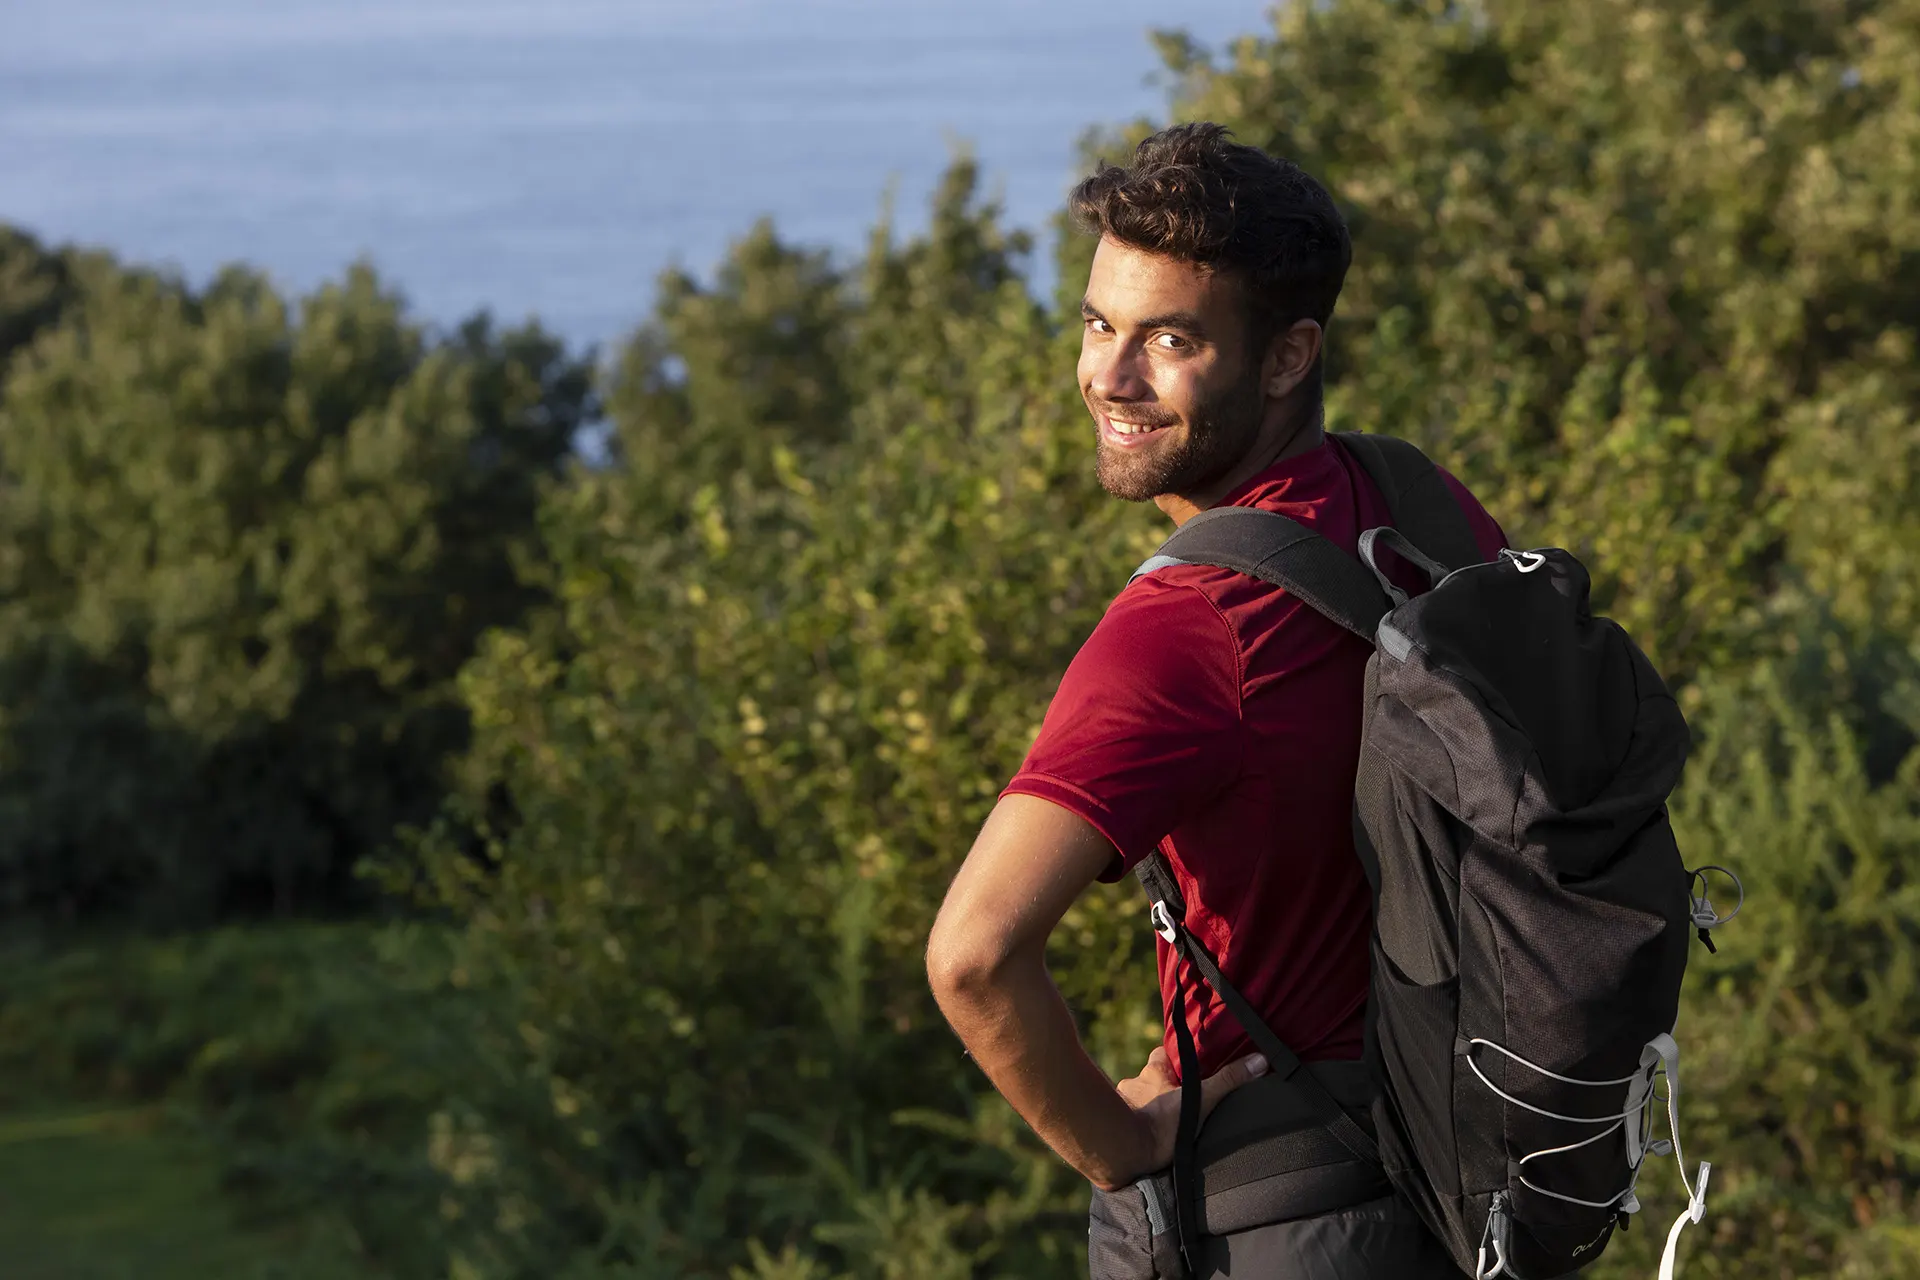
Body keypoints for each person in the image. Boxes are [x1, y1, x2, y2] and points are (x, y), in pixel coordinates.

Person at [924, 122, 1507, 1277]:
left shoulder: (1189, 630)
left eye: (1170, 340)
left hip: (1272, 1212)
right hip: (1461, 1160)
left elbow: (975, 955)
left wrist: (1116, 1142)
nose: (1107, 375)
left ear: (1289, 356)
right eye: (1100, 323)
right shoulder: (1411, 501)